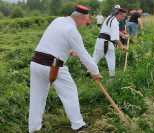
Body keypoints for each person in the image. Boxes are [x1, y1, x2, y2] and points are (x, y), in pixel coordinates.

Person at [28, 4, 102, 133]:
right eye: (85, 20)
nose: (84, 23)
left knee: (37, 97)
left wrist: (69, 51)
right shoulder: (72, 30)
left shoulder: (58, 20)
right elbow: (84, 54)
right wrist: (95, 71)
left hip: (36, 64)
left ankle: (34, 128)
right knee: (70, 92)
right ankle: (78, 124)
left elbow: (54, 42)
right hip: (53, 66)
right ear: (80, 18)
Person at [91, 8, 128, 76]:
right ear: (118, 14)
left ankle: (89, 72)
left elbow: (113, 30)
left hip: (99, 40)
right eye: (123, 16)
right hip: (106, 43)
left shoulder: (109, 18)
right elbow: (114, 37)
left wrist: (124, 36)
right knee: (111, 59)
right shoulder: (115, 22)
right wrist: (121, 45)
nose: (123, 18)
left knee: (95, 58)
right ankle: (112, 75)